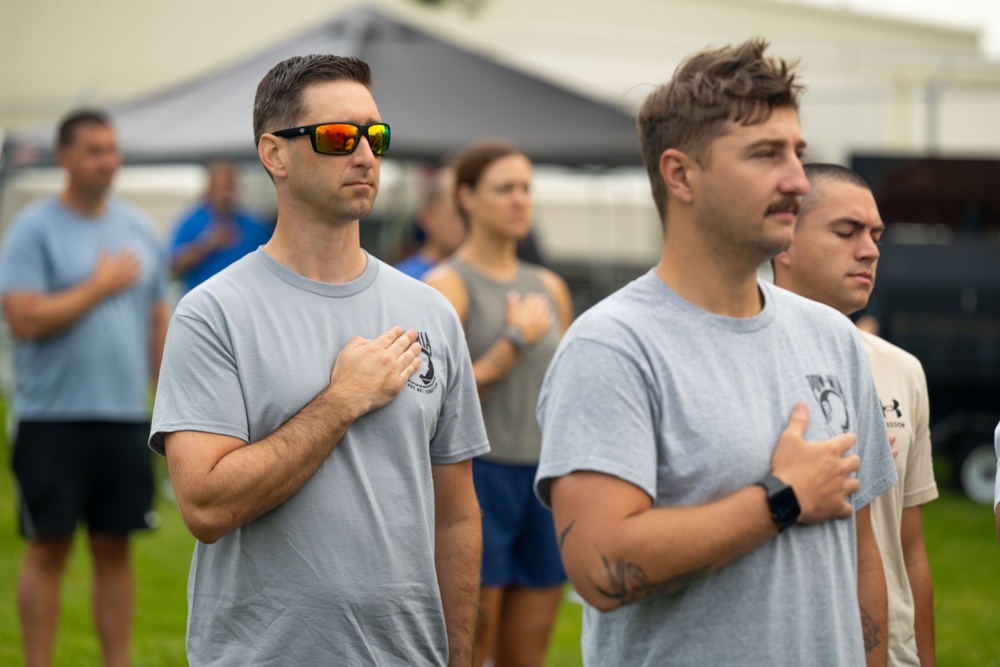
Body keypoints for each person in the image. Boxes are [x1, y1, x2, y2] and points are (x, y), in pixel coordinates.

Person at [533, 38, 898, 666]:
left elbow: (861, 554)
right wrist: (781, 498)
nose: (796, 180)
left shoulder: (833, 337)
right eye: (765, 155)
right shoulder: (611, 347)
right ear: (680, 175)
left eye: (798, 154)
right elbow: (601, 568)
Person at [149, 54, 488, 666]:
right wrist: (342, 401)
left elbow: (457, 513)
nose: (364, 155)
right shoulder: (213, 313)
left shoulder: (431, 312)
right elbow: (205, 505)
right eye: (337, 137)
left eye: (375, 135)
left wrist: (458, 656)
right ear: (274, 154)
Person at [0, 109, 170, 667]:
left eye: (112, 149)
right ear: (66, 157)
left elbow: (157, 318)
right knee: (48, 549)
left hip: (123, 417)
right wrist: (96, 287)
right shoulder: (33, 229)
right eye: (94, 150)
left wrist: (169, 400)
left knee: (114, 548)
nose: (107, 161)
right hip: (51, 418)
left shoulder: (138, 228)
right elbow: (23, 318)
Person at [773, 163, 938, 666]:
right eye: (846, 231)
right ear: (782, 241)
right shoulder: (743, 362)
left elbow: (909, 550)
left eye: (875, 234)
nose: (870, 249)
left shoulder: (903, 370)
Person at [425, 140, 573, 667]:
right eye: (504, 188)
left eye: (526, 189)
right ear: (466, 198)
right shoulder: (446, 286)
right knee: (466, 649)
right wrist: (512, 340)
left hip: (542, 481)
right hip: (477, 479)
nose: (519, 200)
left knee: (524, 657)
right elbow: (433, 401)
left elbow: (566, 392)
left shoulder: (550, 287)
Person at [167, 160, 273, 293]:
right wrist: (207, 244)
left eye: (229, 185)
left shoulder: (254, 225)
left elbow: (271, 262)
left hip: (244, 301)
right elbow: (173, 265)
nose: (225, 193)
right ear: (209, 186)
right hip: (203, 303)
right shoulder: (191, 221)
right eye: (221, 186)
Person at [395, 165, 465, 280]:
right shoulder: (404, 279)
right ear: (427, 218)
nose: (465, 224)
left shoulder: (485, 276)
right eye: (456, 215)